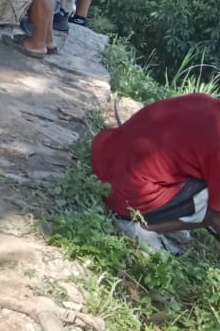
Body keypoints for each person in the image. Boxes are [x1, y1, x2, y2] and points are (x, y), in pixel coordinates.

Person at [91, 94, 220, 251]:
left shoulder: (203, 101)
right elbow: (217, 217)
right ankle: (142, 227)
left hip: (104, 157)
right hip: (125, 197)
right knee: (212, 206)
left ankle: (164, 218)